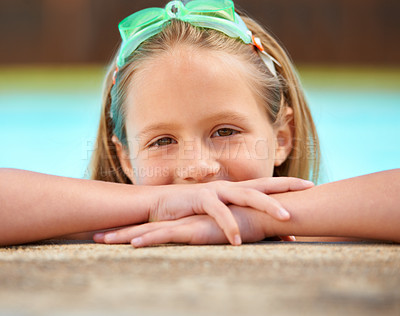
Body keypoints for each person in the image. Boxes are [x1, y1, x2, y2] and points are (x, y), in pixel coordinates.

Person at [0, 0, 398, 247]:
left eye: (225, 132)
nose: (197, 169)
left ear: (282, 137)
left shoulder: (326, 225)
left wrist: (257, 217)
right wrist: (157, 203)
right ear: (124, 158)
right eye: (162, 141)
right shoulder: (97, 224)